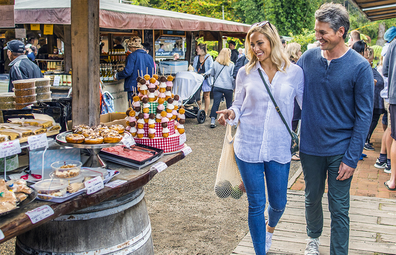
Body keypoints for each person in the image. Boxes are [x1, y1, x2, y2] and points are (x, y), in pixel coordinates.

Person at [217, 21, 304, 255]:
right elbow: (237, 104)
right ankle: (260, 251)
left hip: (278, 148)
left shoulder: (294, 73)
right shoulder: (245, 73)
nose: (255, 49)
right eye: (252, 44)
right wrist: (231, 114)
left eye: (260, 43)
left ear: (272, 41)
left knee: (278, 204)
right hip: (248, 147)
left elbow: (306, 108)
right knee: (256, 205)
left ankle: (270, 228)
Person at [297, 3, 374, 254]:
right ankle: (313, 239)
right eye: (316, 31)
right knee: (311, 199)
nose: (317, 37)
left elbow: (364, 116)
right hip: (310, 147)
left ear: (341, 31)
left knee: (339, 207)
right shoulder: (307, 59)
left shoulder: (360, 67)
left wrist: (352, 158)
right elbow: (290, 99)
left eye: (323, 32)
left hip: (342, 149)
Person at [115, 38, 154, 102]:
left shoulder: (132, 56)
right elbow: (152, 72)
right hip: (147, 86)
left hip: (134, 86)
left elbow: (128, 71)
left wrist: (117, 75)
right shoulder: (149, 57)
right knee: (144, 107)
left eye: (129, 47)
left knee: (134, 108)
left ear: (132, 47)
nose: (129, 49)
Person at [363, 47, 385, 151]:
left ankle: (365, 139)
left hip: (376, 97)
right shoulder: (365, 67)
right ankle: (365, 140)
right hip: (371, 98)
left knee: (374, 118)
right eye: (367, 56)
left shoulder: (370, 67)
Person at [383, 25, 396, 191]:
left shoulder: (392, 45)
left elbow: (385, 71)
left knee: (395, 135)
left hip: (394, 96)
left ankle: (393, 178)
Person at [209, 48, 234, 128]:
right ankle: (231, 121)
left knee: (215, 103)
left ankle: (213, 121)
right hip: (228, 86)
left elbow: (212, 74)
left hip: (217, 85)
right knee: (229, 104)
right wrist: (234, 87)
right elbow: (232, 77)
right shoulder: (231, 65)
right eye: (229, 54)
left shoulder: (215, 63)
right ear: (228, 55)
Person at [286, 42, 303, 161]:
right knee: (291, 127)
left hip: (292, 104)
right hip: (293, 104)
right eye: (300, 50)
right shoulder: (294, 68)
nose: (301, 53)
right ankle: (291, 151)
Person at [193, 43, 213, 116]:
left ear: (202, 50)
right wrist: (195, 72)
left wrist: (204, 74)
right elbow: (194, 67)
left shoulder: (209, 57)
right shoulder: (196, 58)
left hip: (206, 79)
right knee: (198, 95)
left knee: (206, 95)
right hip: (198, 79)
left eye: (197, 49)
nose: (196, 50)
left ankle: (206, 111)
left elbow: (211, 69)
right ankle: (200, 109)